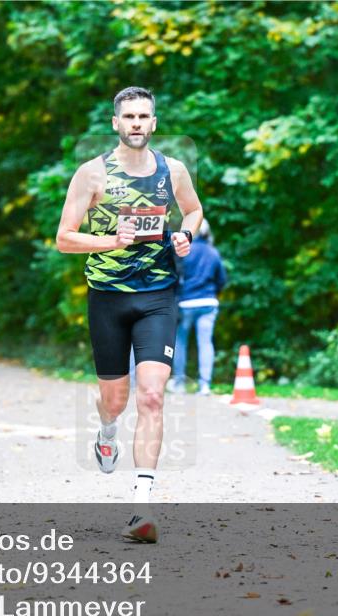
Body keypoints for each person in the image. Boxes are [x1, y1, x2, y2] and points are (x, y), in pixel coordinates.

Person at [56, 86, 202, 543]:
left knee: (153, 395)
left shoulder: (172, 170)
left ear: (154, 123)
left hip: (158, 295)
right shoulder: (92, 174)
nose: (137, 123)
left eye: (144, 116)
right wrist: (111, 242)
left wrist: (186, 236)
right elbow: (64, 238)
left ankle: (141, 509)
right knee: (115, 400)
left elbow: (193, 211)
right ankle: (106, 431)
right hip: (107, 297)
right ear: (116, 123)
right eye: (129, 117)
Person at [171, 218, 227, 395]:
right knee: (205, 342)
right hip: (208, 303)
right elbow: (222, 280)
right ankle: (204, 385)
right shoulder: (213, 252)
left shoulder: (183, 251)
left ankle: (179, 382)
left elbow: (174, 275)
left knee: (180, 341)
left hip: (185, 302)